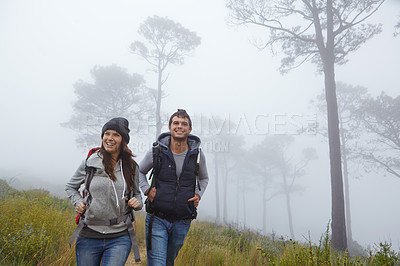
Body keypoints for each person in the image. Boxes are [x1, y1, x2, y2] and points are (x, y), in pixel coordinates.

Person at [65, 117, 142, 266]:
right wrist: (78, 202)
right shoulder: (89, 163)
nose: (110, 138)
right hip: (89, 233)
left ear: (123, 140)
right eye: (107, 133)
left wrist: (137, 203)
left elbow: (137, 194)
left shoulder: (131, 167)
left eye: (116, 135)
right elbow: (70, 186)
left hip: (120, 235)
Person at [139, 109, 209, 265]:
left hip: (183, 220)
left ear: (190, 129)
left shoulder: (197, 154)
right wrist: (146, 190)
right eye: (176, 123)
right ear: (170, 127)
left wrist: (198, 195)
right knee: (158, 263)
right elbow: (140, 172)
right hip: (157, 217)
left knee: (168, 262)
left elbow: (204, 178)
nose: (179, 126)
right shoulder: (156, 151)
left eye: (184, 124)